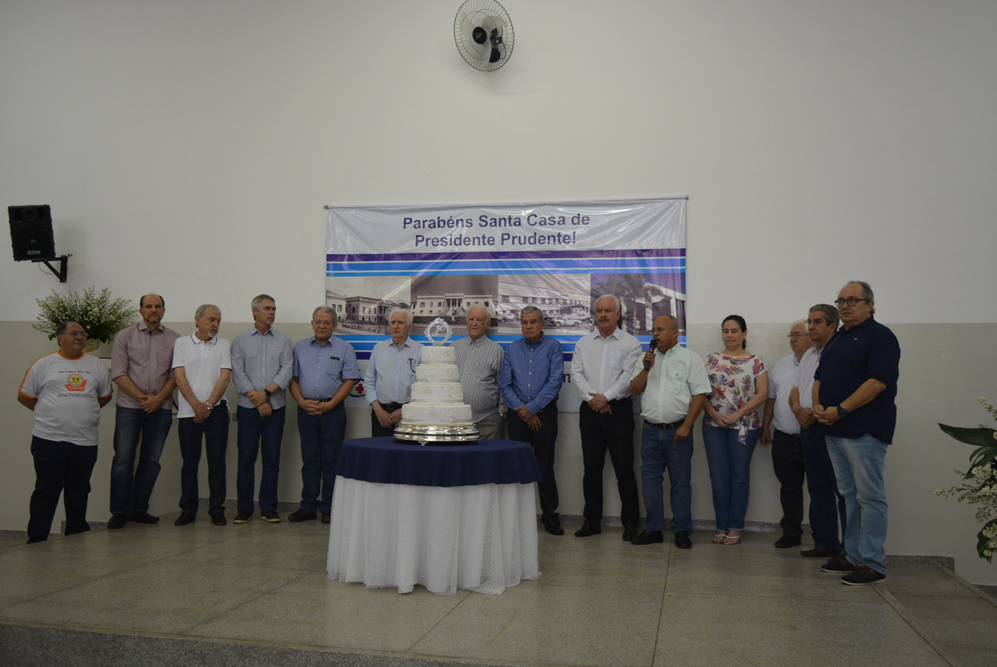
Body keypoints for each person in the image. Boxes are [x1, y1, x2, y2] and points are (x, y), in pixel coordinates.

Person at [814, 281, 900, 585]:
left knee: (869, 496)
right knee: (849, 495)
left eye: (852, 300)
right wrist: (819, 407)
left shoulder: (881, 336)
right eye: (841, 301)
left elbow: (877, 383)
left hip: (864, 428)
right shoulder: (838, 338)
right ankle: (852, 555)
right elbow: (820, 378)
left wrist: (842, 409)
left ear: (870, 304)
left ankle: (872, 563)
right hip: (834, 428)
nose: (845, 306)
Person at [17, 321, 113, 543]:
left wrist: (81, 412)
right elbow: (25, 397)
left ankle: (76, 538)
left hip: (85, 442)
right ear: (60, 338)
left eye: (82, 334)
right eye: (74, 333)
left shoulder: (96, 365)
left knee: (79, 491)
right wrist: (52, 414)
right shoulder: (43, 364)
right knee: (46, 490)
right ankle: (37, 539)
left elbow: (104, 397)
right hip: (49, 440)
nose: (79, 337)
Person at [629, 315, 709, 548]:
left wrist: (687, 425)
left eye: (660, 329)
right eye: (654, 329)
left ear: (675, 333)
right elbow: (634, 390)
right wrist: (646, 369)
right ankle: (653, 529)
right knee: (650, 482)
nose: (655, 334)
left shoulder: (690, 359)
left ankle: (681, 530)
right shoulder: (646, 358)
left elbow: (700, 394)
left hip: (678, 432)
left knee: (680, 484)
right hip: (650, 431)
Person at [570, 295, 642, 540]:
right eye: (599, 310)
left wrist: (606, 398)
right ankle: (592, 521)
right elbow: (576, 374)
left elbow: (628, 376)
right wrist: (595, 400)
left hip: (619, 412)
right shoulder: (584, 343)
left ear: (618, 314)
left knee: (624, 469)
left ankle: (630, 524)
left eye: (608, 311)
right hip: (590, 412)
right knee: (591, 470)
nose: (603, 315)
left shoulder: (631, 343)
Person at [107, 293, 180, 529]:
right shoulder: (125, 336)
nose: (153, 310)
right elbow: (118, 372)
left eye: (158, 306)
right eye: (148, 306)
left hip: (161, 408)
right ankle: (120, 511)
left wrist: (158, 399)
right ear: (141, 311)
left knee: (151, 461)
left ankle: (138, 509)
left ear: (164, 310)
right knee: (123, 460)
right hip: (129, 408)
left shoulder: (175, 339)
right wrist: (143, 398)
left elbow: (176, 375)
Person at [288, 307, 360, 524]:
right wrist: (302, 402)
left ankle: (329, 506)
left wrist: (330, 405)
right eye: (318, 322)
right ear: (312, 323)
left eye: (327, 323)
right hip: (306, 410)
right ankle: (308, 505)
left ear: (334, 325)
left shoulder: (345, 348)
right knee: (310, 460)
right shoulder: (300, 347)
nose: (322, 326)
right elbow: (293, 379)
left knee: (331, 460)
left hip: (333, 412)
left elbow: (349, 380)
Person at [702, 315, 769, 545]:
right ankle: (721, 525)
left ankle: (735, 526)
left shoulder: (756, 361)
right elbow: (699, 392)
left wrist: (737, 414)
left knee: (739, 476)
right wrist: (714, 414)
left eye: (734, 331)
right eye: (726, 331)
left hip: (744, 426)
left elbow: (762, 394)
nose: (729, 335)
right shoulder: (711, 360)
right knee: (718, 476)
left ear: (744, 333)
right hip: (714, 425)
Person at [500, 305, 564, 535]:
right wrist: (525, 411)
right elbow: (505, 386)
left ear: (542, 324)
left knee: (545, 467)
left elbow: (554, 382)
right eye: (525, 322)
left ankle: (550, 517)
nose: (528, 326)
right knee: (518, 467)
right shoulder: (512, 349)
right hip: (518, 416)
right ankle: (517, 518)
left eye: (533, 322)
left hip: (545, 416)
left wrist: (533, 408)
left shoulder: (553, 348)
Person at [231, 294, 294, 524]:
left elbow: (286, 372)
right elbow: (238, 373)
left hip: (275, 408)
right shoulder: (240, 340)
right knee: (246, 459)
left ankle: (269, 507)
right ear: (254, 311)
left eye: (274, 309)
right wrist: (257, 400)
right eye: (267, 308)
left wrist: (266, 394)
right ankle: (244, 509)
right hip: (248, 409)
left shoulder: (284, 341)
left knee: (271, 459)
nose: (272, 312)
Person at [791, 303, 846, 558]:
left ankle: (849, 549)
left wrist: (815, 411)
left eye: (817, 322)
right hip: (807, 429)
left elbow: (842, 392)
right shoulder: (809, 355)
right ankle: (826, 542)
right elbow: (796, 389)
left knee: (842, 490)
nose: (811, 327)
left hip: (830, 428)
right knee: (817, 488)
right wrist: (797, 410)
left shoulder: (839, 353)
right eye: (810, 322)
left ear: (833, 326)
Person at [172, 305, 231, 526]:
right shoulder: (182, 343)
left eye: (218, 321)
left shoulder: (223, 344)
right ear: (198, 320)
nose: (215, 325)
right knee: (189, 463)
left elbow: (225, 378)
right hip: (189, 413)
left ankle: (217, 510)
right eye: (211, 320)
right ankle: (188, 510)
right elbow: (179, 378)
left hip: (216, 412)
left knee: (217, 463)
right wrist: (197, 406)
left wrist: (207, 406)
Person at [760, 319, 810, 548]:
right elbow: (771, 398)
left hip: (812, 438)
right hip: (784, 438)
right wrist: (765, 426)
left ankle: (822, 536)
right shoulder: (781, 365)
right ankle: (791, 533)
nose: (793, 339)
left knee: (819, 489)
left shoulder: (822, 363)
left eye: (798, 334)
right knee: (789, 488)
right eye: (791, 335)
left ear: (811, 337)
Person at [363, 308, 422, 437]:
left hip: (410, 414)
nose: (395, 326)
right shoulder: (379, 349)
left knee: (408, 450)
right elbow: (368, 382)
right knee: (380, 450)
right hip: (381, 415)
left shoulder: (420, 350)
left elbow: (425, 387)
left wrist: (406, 410)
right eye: (393, 322)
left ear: (409, 327)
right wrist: (378, 410)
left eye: (400, 322)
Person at [453, 305, 505, 440]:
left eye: (479, 320)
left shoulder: (496, 351)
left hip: (487, 421)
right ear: (466, 322)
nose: (474, 323)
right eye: (471, 319)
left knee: (488, 454)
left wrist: (500, 413)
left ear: (488, 324)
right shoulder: (454, 347)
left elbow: (503, 384)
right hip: (456, 419)